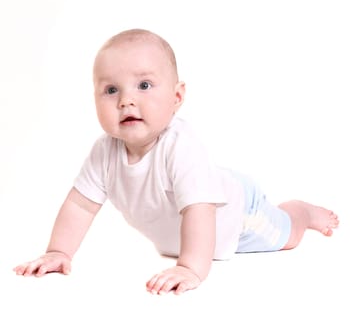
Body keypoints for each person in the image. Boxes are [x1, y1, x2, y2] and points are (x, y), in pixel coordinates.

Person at [14, 28, 339, 295]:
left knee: (287, 237)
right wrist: (59, 251)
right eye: (111, 89)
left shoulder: (179, 146)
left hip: (238, 216)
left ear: (177, 97)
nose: (126, 99)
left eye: (144, 85)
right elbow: (81, 206)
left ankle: (301, 211)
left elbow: (200, 208)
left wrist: (190, 268)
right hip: (204, 200)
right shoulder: (105, 152)